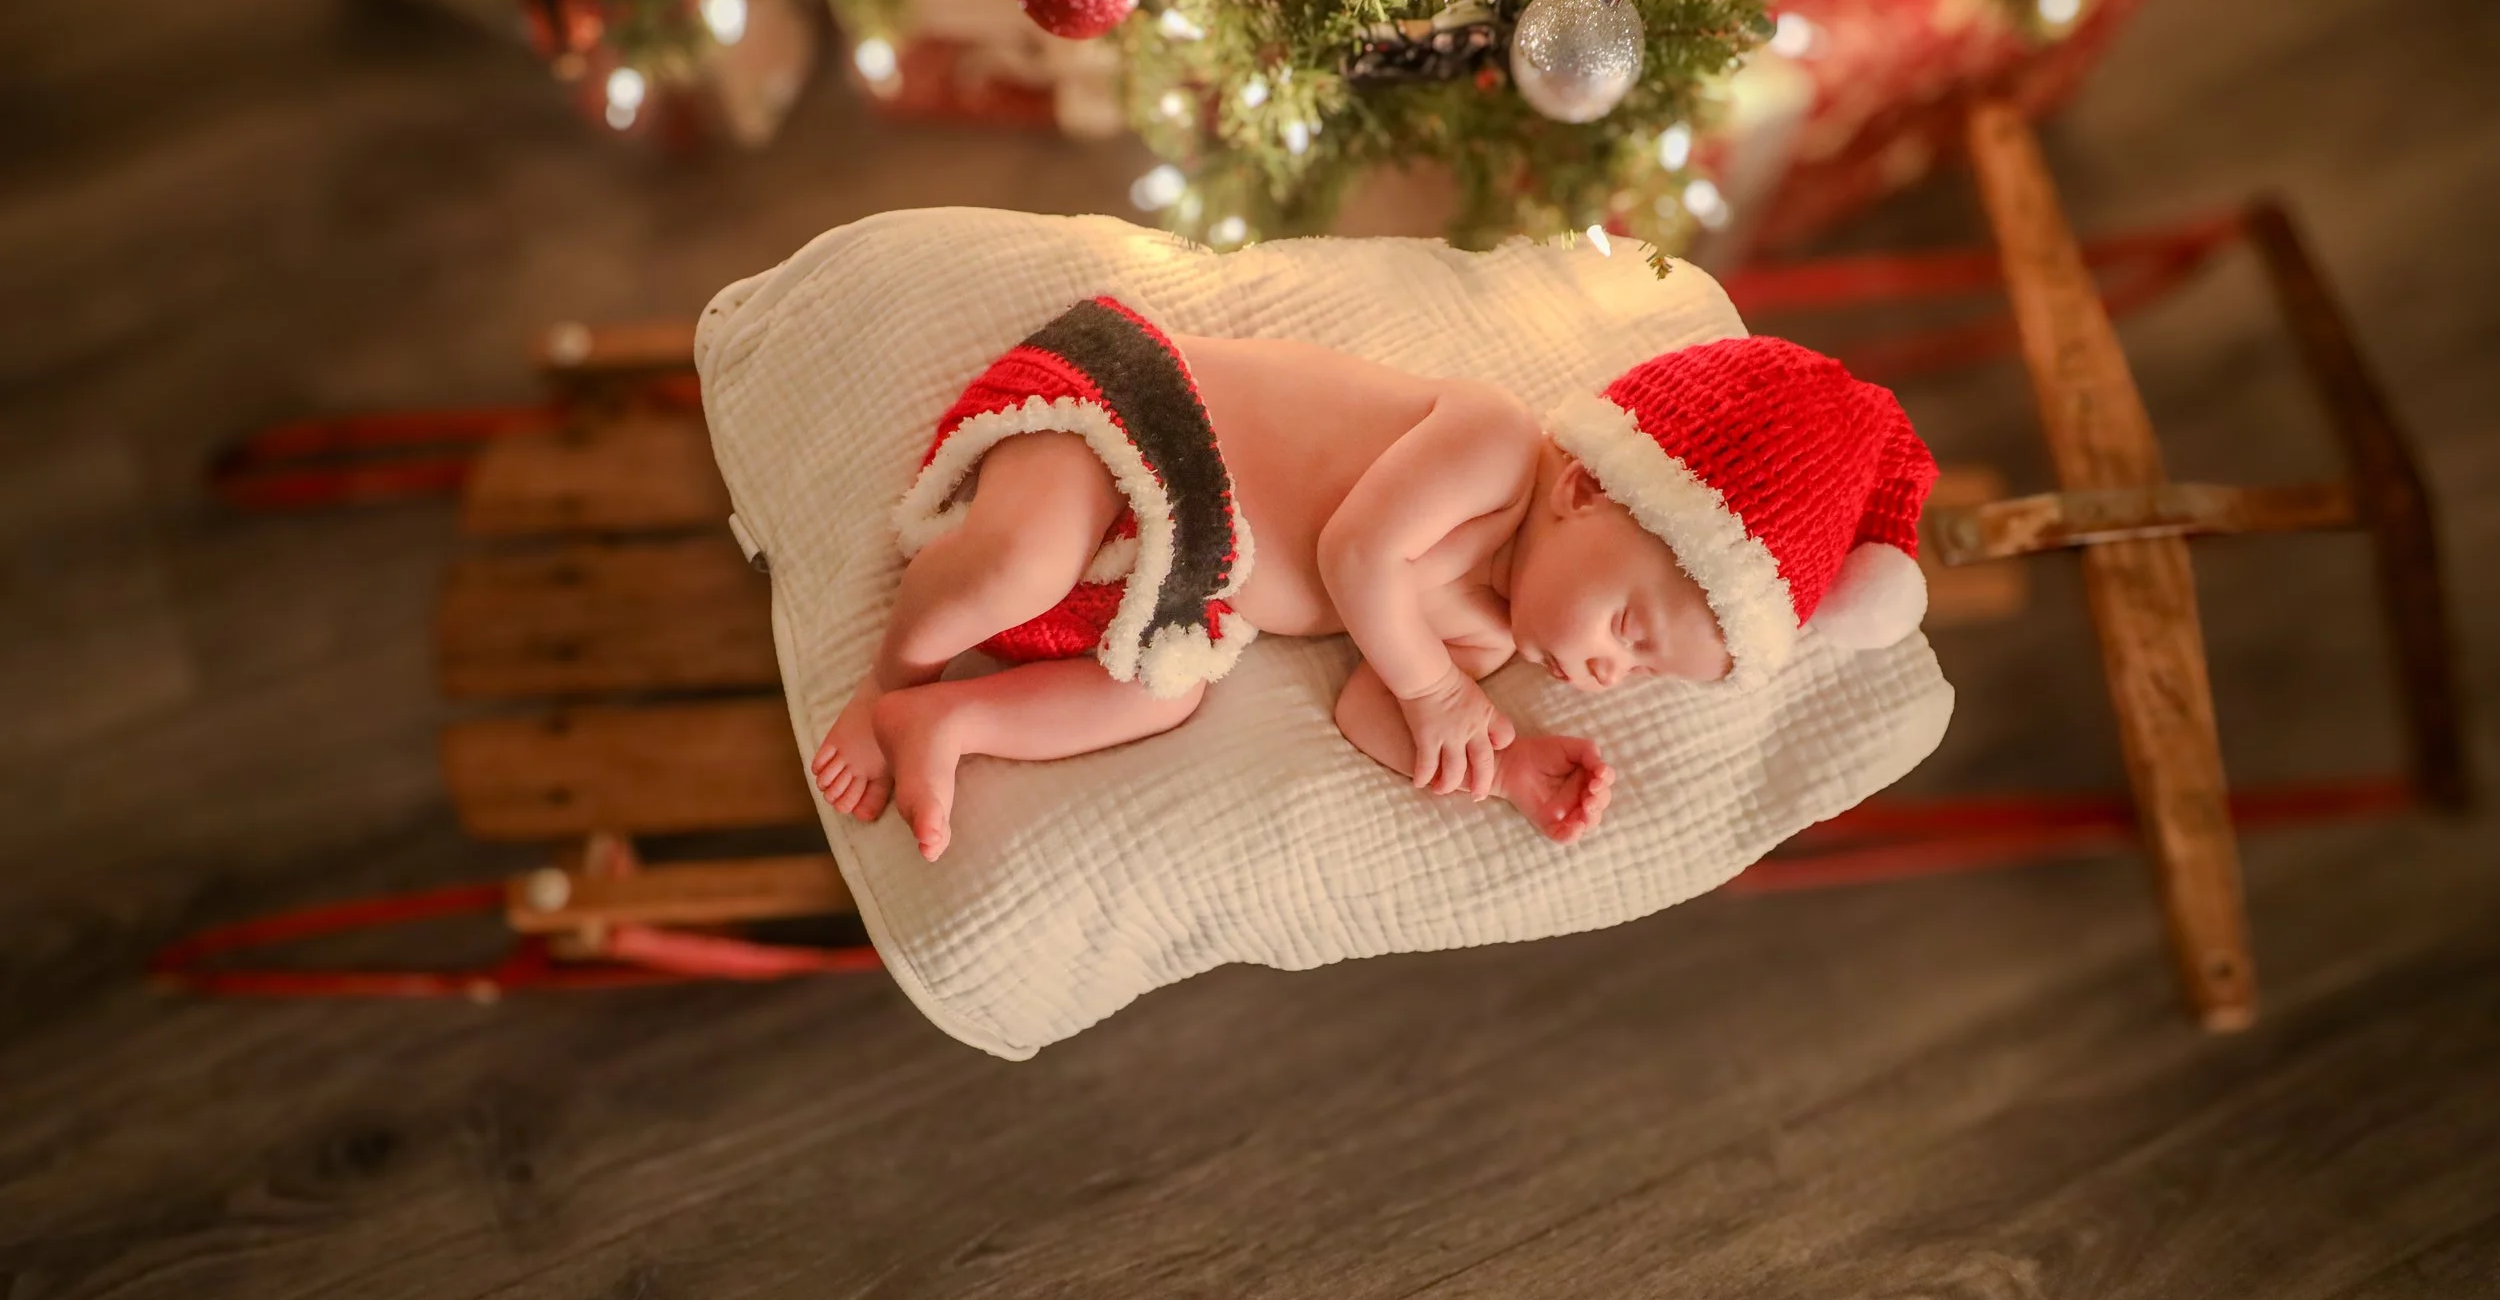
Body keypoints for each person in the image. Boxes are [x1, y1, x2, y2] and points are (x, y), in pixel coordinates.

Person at [813, 294, 1938, 863]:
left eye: (1638, 673)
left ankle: (948, 720)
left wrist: (1493, 758)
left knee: (1164, 692)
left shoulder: (1488, 637)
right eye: (1632, 627)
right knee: (1016, 563)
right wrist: (1438, 689)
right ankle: (887, 680)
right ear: (1591, 490)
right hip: (1130, 419)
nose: (1604, 670)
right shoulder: (1494, 448)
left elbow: (1369, 706)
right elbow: (1359, 555)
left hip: (1178, 574)